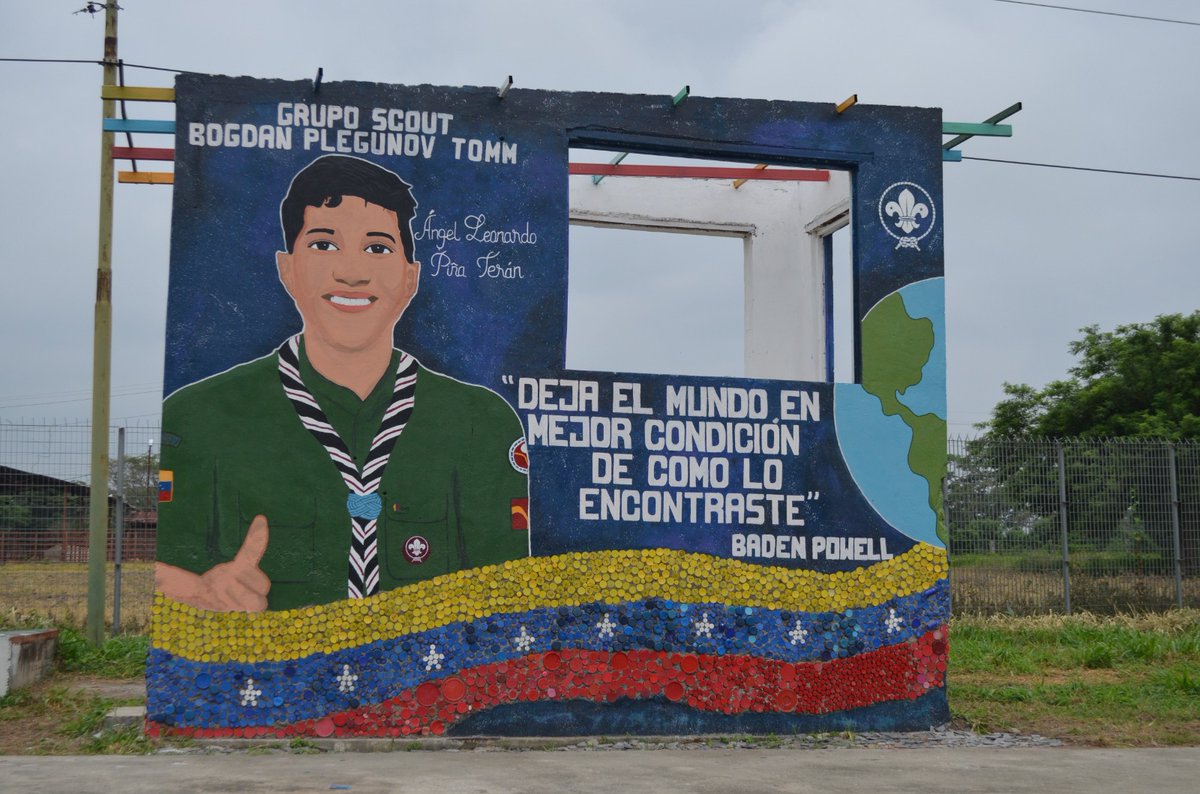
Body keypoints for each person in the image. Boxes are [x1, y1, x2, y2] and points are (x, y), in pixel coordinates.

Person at [155, 155, 530, 612]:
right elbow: (159, 571)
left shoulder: (481, 424)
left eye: (378, 248)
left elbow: (508, 598)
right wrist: (198, 592)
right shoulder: (198, 417)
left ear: (410, 278)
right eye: (324, 245)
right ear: (287, 268)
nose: (351, 272)